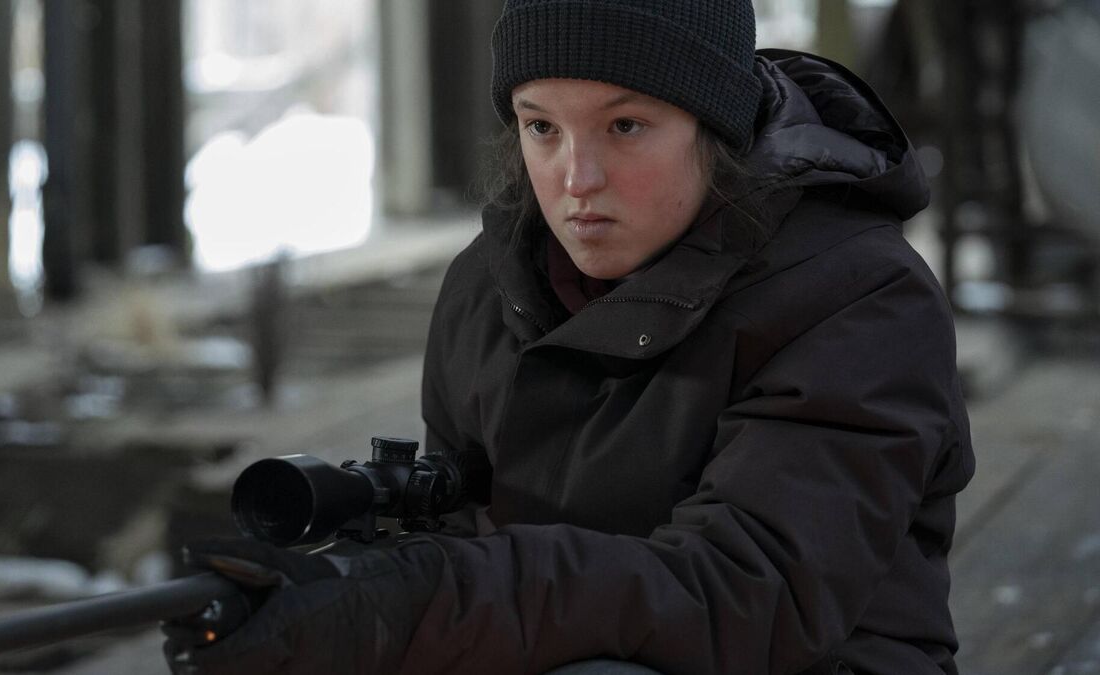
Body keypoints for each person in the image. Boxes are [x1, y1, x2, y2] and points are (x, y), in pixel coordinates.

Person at [162, 1, 975, 673]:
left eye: (625, 126)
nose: (576, 180)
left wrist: (415, 603)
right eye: (541, 127)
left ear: (716, 125)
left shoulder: (859, 297)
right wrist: (349, 599)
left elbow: (744, 595)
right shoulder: (489, 286)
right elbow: (461, 537)